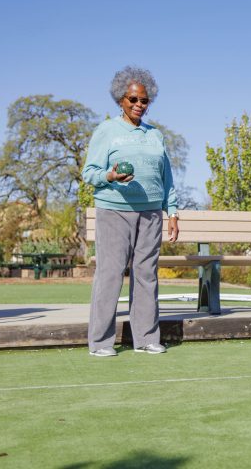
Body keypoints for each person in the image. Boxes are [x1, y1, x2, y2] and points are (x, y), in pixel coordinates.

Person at [82, 66, 179, 357]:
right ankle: (100, 342)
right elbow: (89, 172)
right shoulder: (107, 131)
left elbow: (167, 178)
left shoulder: (156, 135)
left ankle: (147, 338)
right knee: (110, 274)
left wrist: (171, 212)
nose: (138, 105)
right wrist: (109, 176)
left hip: (150, 212)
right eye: (132, 99)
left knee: (146, 274)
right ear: (120, 100)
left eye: (144, 100)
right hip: (114, 211)